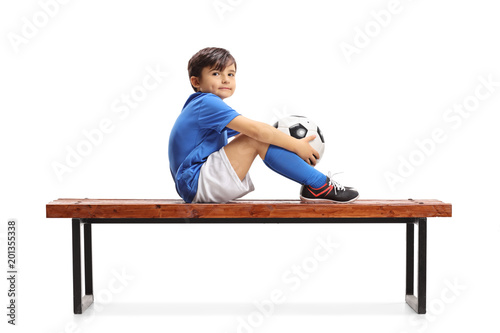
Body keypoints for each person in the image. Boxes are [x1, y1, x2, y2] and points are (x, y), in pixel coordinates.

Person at [168, 47, 359, 204]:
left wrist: (279, 136)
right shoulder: (206, 103)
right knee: (255, 137)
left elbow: (262, 132)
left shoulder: (202, 107)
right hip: (195, 183)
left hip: (195, 184)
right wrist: (297, 145)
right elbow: (257, 132)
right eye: (216, 73)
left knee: (262, 136)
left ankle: (315, 186)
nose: (226, 79)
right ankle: (319, 185)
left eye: (231, 73)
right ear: (196, 81)